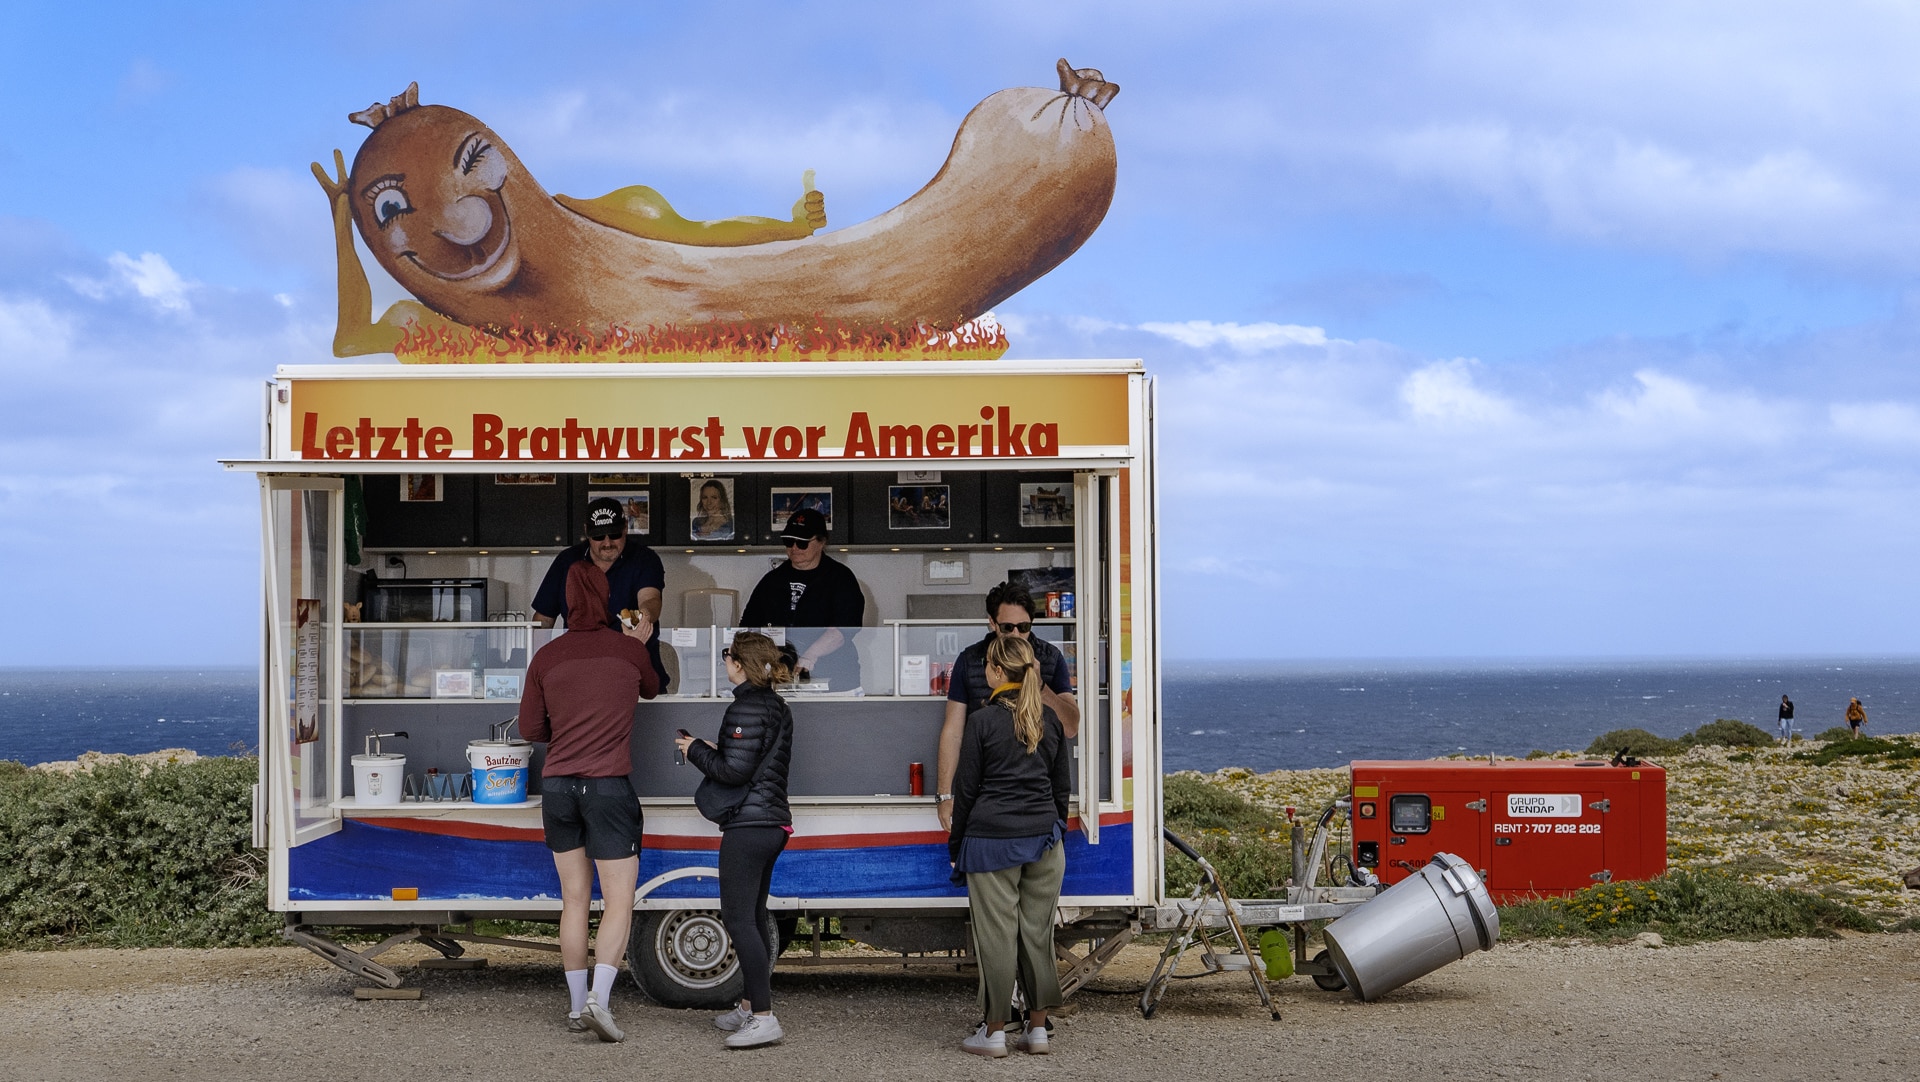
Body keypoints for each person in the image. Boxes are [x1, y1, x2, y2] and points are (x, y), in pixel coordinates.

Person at [518, 559, 661, 1042]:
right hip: (607, 787)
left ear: (564, 601)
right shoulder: (626, 649)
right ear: (604, 597)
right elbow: (654, 689)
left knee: (574, 899)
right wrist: (636, 646)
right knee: (618, 899)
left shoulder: (547, 656)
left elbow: (530, 730)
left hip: (558, 787)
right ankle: (601, 1000)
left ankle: (579, 1006)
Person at [947, 635, 1070, 1058]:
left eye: (988, 667)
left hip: (991, 842)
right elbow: (1061, 790)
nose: (984, 673)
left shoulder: (982, 722)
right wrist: (1052, 832)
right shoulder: (1049, 720)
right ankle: (1037, 1031)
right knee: (1037, 936)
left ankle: (995, 1032)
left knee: (997, 938)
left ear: (998, 672)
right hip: (1044, 843)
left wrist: (956, 843)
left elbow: (965, 790)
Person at [676, 632, 795, 1049]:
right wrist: (714, 749)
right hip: (771, 822)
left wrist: (694, 750)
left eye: (727, 655)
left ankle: (763, 1018)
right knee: (755, 917)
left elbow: (734, 773)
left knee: (739, 918)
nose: (724, 660)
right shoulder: (776, 706)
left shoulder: (744, 705)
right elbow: (745, 761)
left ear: (739, 663)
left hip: (749, 826)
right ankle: (749, 1005)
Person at [937, 581, 1079, 833]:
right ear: (992, 623)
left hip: (1037, 798)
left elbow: (1070, 727)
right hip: (987, 798)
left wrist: (1039, 685)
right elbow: (953, 732)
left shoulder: (1048, 657)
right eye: (1007, 627)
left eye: (1023, 627)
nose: (1015, 635)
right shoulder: (971, 661)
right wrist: (944, 796)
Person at [533, 497, 669, 690]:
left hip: (636, 676)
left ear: (625, 529)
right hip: (578, 676)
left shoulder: (644, 559)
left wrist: (640, 620)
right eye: (598, 537)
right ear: (587, 531)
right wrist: (539, 671)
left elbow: (650, 600)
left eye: (614, 535)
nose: (607, 543)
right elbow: (543, 621)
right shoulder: (567, 561)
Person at [740, 508, 865, 691]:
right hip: (780, 679)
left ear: (822, 542)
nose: (795, 548)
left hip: (835, 678)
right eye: (789, 541)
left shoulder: (840, 578)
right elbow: (749, 626)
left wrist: (810, 656)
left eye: (802, 543)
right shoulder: (772, 581)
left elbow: (844, 629)